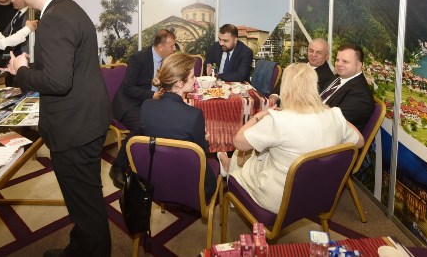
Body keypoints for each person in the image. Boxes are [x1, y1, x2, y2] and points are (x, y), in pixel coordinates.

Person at [4, 0, 111, 257]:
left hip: (74, 128)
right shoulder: (69, 8)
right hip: (86, 120)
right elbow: (65, 68)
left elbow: (58, 82)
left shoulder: (54, 18)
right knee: (84, 200)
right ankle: (79, 249)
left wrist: (22, 72)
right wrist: (30, 68)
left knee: (85, 205)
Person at [217, 63, 364, 214]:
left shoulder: (277, 120)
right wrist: (335, 115)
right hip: (320, 194)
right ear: (315, 87)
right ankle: (229, 166)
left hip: (280, 199)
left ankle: (229, 169)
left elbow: (238, 142)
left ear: (285, 88)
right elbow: (359, 141)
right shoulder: (335, 115)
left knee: (241, 153)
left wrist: (258, 116)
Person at [140, 52, 217, 200]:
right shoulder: (194, 115)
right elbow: (202, 153)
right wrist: (205, 140)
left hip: (156, 180)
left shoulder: (146, 106)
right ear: (180, 83)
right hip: (191, 186)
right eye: (193, 76)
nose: (195, 80)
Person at [108, 29, 176, 188]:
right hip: (130, 103)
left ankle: (157, 163)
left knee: (171, 118)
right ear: (161, 47)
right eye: (172, 46)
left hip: (150, 103)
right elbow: (128, 88)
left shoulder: (167, 60)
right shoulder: (138, 58)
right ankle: (118, 167)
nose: (174, 49)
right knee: (142, 125)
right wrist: (152, 95)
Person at [320, 43, 375, 131]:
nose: (338, 64)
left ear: (358, 65)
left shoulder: (361, 95)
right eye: (337, 60)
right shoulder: (338, 77)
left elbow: (334, 124)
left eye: (345, 61)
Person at [3, 0, 33, 87]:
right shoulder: (17, 13)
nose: (12, 1)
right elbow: (7, 33)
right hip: (11, 60)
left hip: (23, 61)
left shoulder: (31, 14)